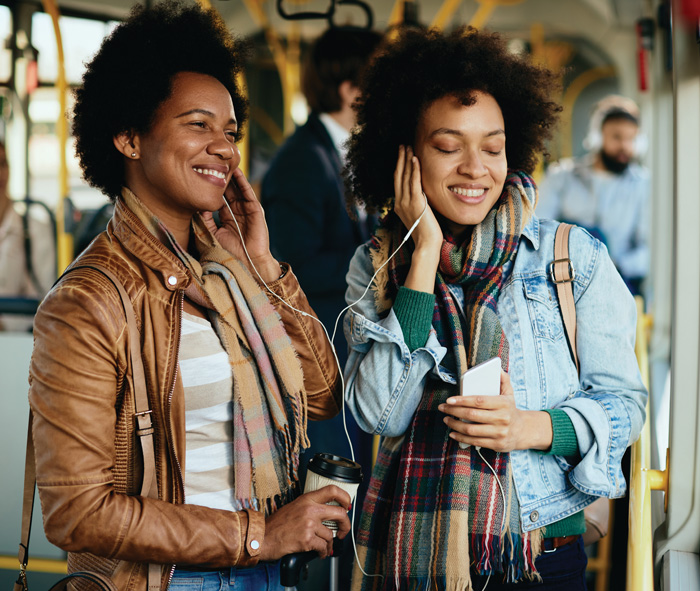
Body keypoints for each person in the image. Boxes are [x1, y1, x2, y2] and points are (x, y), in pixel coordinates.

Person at [28, 4, 351, 591]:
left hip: (262, 574)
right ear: (128, 137)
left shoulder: (228, 273)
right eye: (198, 125)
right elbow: (76, 510)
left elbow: (324, 397)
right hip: (168, 580)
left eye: (230, 132)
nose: (224, 149)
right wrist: (259, 534)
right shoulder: (86, 302)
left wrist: (266, 269)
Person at [342, 27, 648, 590]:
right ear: (404, 154)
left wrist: (531, 428)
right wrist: (424, 256)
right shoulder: (379, 264)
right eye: (447, 145)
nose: (475, 168)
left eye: (492, 146)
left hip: (539, 553)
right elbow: (379, 415)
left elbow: (626, 407)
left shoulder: (569, 257)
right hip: (415, 559)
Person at [260, 27, 382, 588]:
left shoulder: (338, 153)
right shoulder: (301, 163)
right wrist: (378, 267)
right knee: (329, 491)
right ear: (352, 86)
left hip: (341, 344)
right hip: (315, 356)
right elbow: (292, 270)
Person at [537, 95, 650, 295]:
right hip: (561, 280)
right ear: (597, 137)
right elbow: (538, 229)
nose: (625, 146)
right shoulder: (561, 176)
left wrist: (614, 265)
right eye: (616, 137)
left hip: (617, 283)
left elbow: (649, 251)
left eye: (631, 139)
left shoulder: (643, 185)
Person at [0, 141, 55, 332]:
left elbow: (47, 296)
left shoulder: (35, 229)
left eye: (3, 164)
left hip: (20, 341)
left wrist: (6, 324)